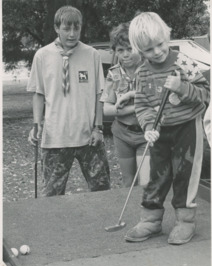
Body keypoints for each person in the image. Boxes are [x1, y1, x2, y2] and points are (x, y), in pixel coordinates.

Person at [118, 12, 210, 245]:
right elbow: (142, 105)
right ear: (140, 51)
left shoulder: (184, 63)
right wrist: (149, 125)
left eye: (160, 44)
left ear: (167, 35)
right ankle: (150, 220)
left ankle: (185, 221)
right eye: (149, 50)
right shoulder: (142, 72)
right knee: (156, 175)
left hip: (187, 128)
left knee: (184, 175)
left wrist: (181, 87)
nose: (157, 52)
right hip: (160, 132)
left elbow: (205, 95)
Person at [27, 6, 110, 196]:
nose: (72, 34)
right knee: (52, 196)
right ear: (57, 28)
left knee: (102, 191)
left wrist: (98, 128)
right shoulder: (42, 55)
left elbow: (100, 94)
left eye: (77, 28)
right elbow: (38, 93)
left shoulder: (92, 55)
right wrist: (36, 124)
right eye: (66, 28)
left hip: (88, 137)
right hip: (55, 137)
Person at [100, 22, 149, 187]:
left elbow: (154, 105)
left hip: (145, 133)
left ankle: (146, 212)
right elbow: (106, 109)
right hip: (122, 134)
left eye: (130, 49)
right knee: (128, 182)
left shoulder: (149, 71)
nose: (126, 54)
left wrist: (123, 108)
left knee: (145, 182)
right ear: (115, 51)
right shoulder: (113, 74)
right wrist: (135, 107)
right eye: (120, 50)